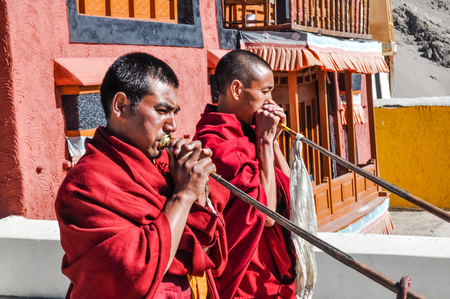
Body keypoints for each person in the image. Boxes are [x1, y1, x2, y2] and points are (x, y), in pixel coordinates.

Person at [55, 52, 228, 299]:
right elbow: (130, 273)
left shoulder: (167, 168)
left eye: (174, 112)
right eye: (162, 110)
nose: (173, 126)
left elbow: (204, 251)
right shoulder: (85, 185)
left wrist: (198, 190)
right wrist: (183, 195)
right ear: (121, 106)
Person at [193, 49, 296, 299]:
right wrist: (264, 143)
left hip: (274, 270)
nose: (271, 102)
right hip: (248, 279)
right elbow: (267, 215)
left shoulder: (249, 132)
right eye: (265, 91)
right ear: (237, 90)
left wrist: (272, 142)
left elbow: (291, 189)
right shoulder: (218, 143)